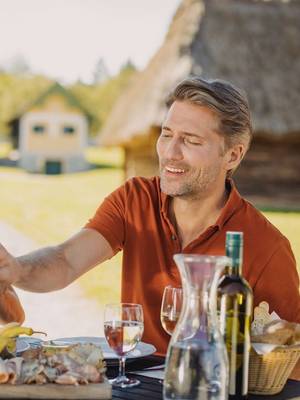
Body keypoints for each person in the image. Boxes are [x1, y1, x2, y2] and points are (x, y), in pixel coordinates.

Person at [0, 77, 299, 355]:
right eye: (166, 134)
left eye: (191, 141)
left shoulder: (267, 248)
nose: (170, 152)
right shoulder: (134, 199)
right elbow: (66, 260)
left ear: (232, 155)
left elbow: (286, 361)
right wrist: (17, 270)